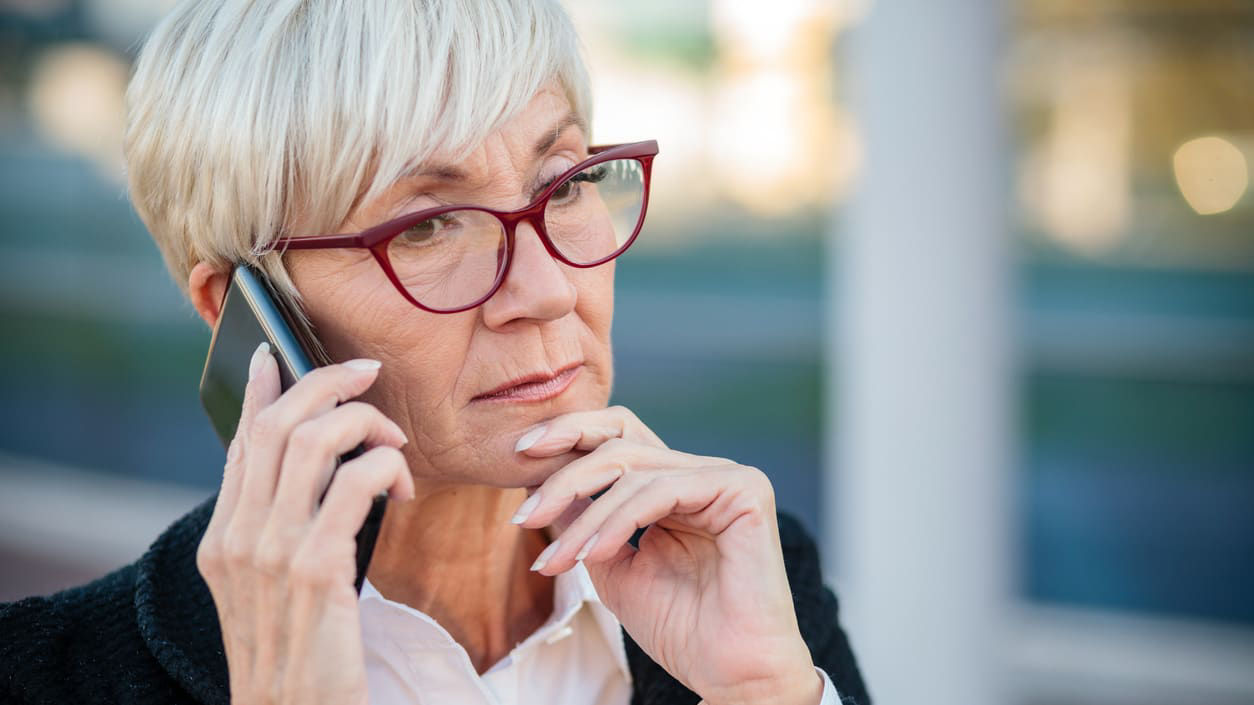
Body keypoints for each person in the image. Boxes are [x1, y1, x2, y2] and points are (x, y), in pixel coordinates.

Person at [0, 2, 870, 704]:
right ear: (242, 310)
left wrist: (766, 695)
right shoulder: (47, 674)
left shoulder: (743, 575)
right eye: (426, 226)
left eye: (562, 183)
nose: (546, 290)